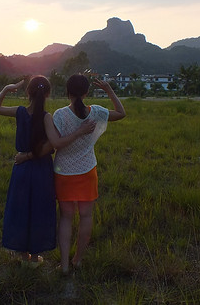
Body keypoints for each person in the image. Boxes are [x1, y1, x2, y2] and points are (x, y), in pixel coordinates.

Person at [0, 75, 95, 265]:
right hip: (41, 170)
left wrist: (7, 88)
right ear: (48, 93)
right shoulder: (47, 117)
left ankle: (23, 256)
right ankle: (36, 255)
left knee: (22, 210)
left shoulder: (20, 112)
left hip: (21, 169)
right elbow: (51, 146)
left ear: (27, 92)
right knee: (39, 210)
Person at [50, 74, 126, 274]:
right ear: (86, 92)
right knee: (86, 216)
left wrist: (75, 133)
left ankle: (65, 266)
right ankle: (78, 260)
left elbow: (56, 144)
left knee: (66, 218)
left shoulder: (59, 115)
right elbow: (121, 112)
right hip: (87, 172)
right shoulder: (97, 112)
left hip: (63, 173)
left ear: (67, 91)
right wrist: (109, 90)